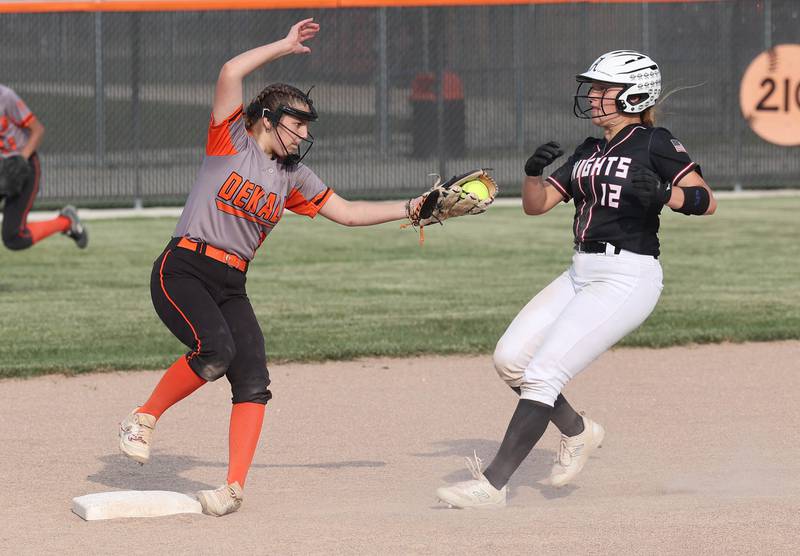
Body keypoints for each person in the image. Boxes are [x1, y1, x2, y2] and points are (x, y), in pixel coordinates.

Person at [117, 19, 425, 517]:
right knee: (215, 350)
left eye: (307, 126)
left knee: (253, 378)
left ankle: (233, 486)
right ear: (266, 118)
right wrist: (284, 46)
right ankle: (143, 417)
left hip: (231, 282)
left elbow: (346, 212)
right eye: (297, 123)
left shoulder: (293, 176)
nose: (304, 134)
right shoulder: (229, 142)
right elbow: (229, 71)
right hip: (184, 269)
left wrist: (411, 207)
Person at [436, 50, 717, 509]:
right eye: (595, 88)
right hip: (580, 270)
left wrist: (668, 193)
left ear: (636, 94)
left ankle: (492, 486)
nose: (594, 97)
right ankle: (578, 432)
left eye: (605, 89)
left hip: (628, 275)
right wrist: (532, 174)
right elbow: (537, 204)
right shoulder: (590, 149)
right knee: (510, 360)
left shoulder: (655, 142)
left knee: (544, 372)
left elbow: (707, 201)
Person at [0, 84, 87, 251]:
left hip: (24, 166)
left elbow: (37, 130)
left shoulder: (5, 97)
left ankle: (66, 222)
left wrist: (20, 160)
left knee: (14, 238)